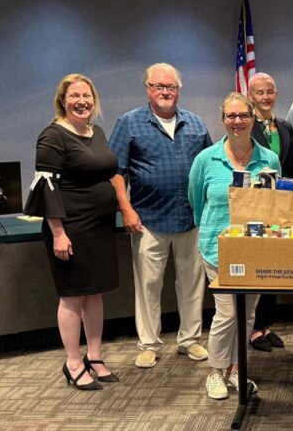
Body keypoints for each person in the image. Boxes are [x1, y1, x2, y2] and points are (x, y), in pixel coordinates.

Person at [109, 63, 211, 369]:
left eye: (171, 87)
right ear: (147, 89)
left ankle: (190, 340)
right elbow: (115, 172)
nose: (165, 92)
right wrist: (126, 209)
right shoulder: (129, 123)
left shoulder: (195, 123)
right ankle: (149, 344)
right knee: (148, 286)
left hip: (190, 218)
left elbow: (209, 166)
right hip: (147, 220)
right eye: (158, 86)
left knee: (192, 284)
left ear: (179, 90)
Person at [24, 74, 120, 390]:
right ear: (62, 101)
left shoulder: (97, 132)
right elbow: (47, 187)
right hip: (71, 228)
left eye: (87, 95)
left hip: (99, 227)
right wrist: (58, 233)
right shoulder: (53, 136)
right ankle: (74, 362)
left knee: (95, 293)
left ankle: (95, 356)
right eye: (75, 96)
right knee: (72, 296)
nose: (82, 101)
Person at [188, 92, 281, 400]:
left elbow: (276, 204)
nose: (237, 121)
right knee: (227, 312)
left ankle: (237, 368)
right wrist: (211, 228)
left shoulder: (269, 159)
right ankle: (215, 370)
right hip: (217, 248)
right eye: (231, 116)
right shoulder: (206, 159)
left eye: (243, 115)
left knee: (248, 312)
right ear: (223, 119)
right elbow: (196, 202)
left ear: (253, 119)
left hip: (256, 248)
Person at [246, 72, 293, 352]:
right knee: (256, 268)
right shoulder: (244, 126)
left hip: (282, 210)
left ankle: (267, 324)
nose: (265, 97)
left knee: (274, 268)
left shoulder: (285, 127)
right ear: (250, 96)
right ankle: (254, 328)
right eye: (259, 92)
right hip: (255, 209)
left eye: (270, 91)